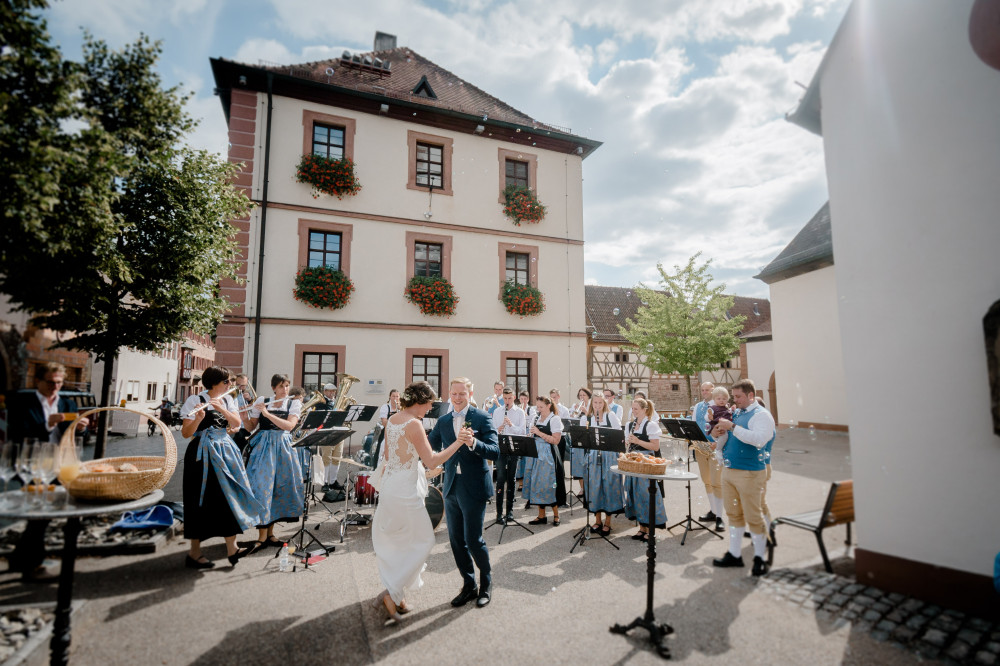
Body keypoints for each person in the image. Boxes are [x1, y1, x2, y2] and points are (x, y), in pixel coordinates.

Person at [372, 381, 466, 619]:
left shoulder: (392, 420)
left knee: (401, 541)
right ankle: (391, 593)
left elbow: (388, 456)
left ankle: (398, 595)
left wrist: (416, 469)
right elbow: (432, 461)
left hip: (392, 485)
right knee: (424, 540)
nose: (430, 408)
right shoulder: (414, 424)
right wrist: (459, 442)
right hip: (405, 490)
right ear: (420, 401)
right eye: (429, 404)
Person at [6, 362, 89, 580]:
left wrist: (81, 429)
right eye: (51, 382)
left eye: (59, 383)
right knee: (39, 513)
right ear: (38, 381)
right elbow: (16, 434)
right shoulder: (23, 403)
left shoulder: (68, 403)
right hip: (33, 464)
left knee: (49, 513)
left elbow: (75, 438)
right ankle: (32, 565)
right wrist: (47, 426)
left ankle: (21, 559)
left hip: (61, 465)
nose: (55, 387)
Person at [427, 377, 500, 608]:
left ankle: (486, 584)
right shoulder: (444, 420)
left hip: (474, 487)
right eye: (454, 393)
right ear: (449, 393)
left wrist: (474, 443)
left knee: (473, 539)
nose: (458, 398)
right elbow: (428, 444)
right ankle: (469, 585)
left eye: (462, 393)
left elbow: (495, 452)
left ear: (470, 393)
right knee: (456, 541)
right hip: (451, 486)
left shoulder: (481, 417)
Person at [180, 366, 262, 569]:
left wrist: (222, 409)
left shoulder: (227, 399)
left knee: (228, 496)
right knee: (198, 499)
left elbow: (236, 423)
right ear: (215, 383)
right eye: (226, 382)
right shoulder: (195, 400)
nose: (230, 385)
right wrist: (197, 420)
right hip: (201, 452)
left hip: (225, 451)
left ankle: (232, 548)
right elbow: (185, 433)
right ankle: (194, 553)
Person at [710, 379, 776, 577]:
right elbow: (726, 437)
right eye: (734, 396)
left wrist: (732, 428)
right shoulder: (736, 412)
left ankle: (758, 558)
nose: (734, 399)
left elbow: (759, 440)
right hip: (729, 470)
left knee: (754, 515)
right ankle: (735, 554)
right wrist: (716, 433)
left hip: (750, 473)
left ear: (750, 396)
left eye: (738, 396)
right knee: (734, 514)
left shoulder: (762, 415)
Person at [243, 374, 304, 553]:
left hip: (283, 448)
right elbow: (250, 427)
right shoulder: (263, 400)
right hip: (263, 448)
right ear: (274, 388)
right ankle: (261, 537)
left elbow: (289, 426)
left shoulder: (293, 403)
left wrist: (267, 413)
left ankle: (270, 534)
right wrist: (242, 413)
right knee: (262, 489)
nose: (285, 389)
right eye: (281, 386)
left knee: (278, 488)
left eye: (287, 385)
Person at [622, 397, 667, 542]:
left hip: (646, 462)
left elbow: (655, 447)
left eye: (636, 409)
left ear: (644, 410)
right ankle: (642, 528)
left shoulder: (651, 425)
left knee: (646, 495)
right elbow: (627, 445)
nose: (633, 411)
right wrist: (627, 445)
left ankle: (650, 529)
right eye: (632, 409)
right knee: (634, 494)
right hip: (634, 461)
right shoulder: (629, 425)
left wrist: (638, 441)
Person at [584, 391, 624, 535]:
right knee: (595, 486)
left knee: (609, 485)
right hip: (594, 455)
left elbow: (619, 435)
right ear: (592, 403)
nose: (598, 405)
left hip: (608, 455)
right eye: (595, 403)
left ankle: (608, 522)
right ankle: (597, 520)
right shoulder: (588, 418)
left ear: (604, 403)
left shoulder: (610, 416)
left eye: (600, 402)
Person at [526, 396, 566, 526]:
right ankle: (541, 515)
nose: (538, 409)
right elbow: (534, 434)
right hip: (536, 454)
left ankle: (556, 515)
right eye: (537, 407)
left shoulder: (554, 419)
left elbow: (556, 440)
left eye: (541, 407)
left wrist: (539, 432)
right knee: (537, 482)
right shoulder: (536, 417)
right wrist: (530, 436)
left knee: (550, 483)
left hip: (549, 455)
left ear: (548, 406)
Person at [692, 382, 725, 532]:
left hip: (714, 447)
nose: (705, 392)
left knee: (716, 482)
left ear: (713, 391)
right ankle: (713, 510)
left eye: (707, 390)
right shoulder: (698, 406)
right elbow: (693, 423)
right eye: (703, 390)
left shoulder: (719, 405)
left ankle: (720, 517)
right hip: (700, 447)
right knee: (707, 481)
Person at [491, 387, 526, 524]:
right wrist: (497, 429)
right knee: (500, 479)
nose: (507, 401)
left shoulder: (520, 412)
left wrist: (511, 425)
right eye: (505, 398)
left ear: (514, 397)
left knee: (511, 480)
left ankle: (509, 512)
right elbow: (492, 430)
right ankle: (499, 513)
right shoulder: (497, 411)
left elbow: (522, 431)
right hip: (501, 448)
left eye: (510, 398)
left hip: (514, 448)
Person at [569, 387, 592, 494]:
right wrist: (574, 412)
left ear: (588, 396)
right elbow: (572, 418)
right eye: (580, 395)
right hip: (578, 435)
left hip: (588, 436)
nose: (582, 397)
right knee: (578, 463)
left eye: (584, 395)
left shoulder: (592, 405)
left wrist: (586, 412)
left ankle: (589, 488)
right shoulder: (576, 405)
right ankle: (582, 488)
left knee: (587, 463)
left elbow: (594, 419)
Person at [515, 390, 534, 492]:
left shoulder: (532, 409)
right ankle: (521, 483)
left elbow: (532, 421)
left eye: (525, 399)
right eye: (521, 399)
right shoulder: (517, 409)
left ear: (528, 399)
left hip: (528, 434)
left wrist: (525, 415)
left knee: (527, 459)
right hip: (520, 434)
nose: (523, 401)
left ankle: (528, 482)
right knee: (520, 460)